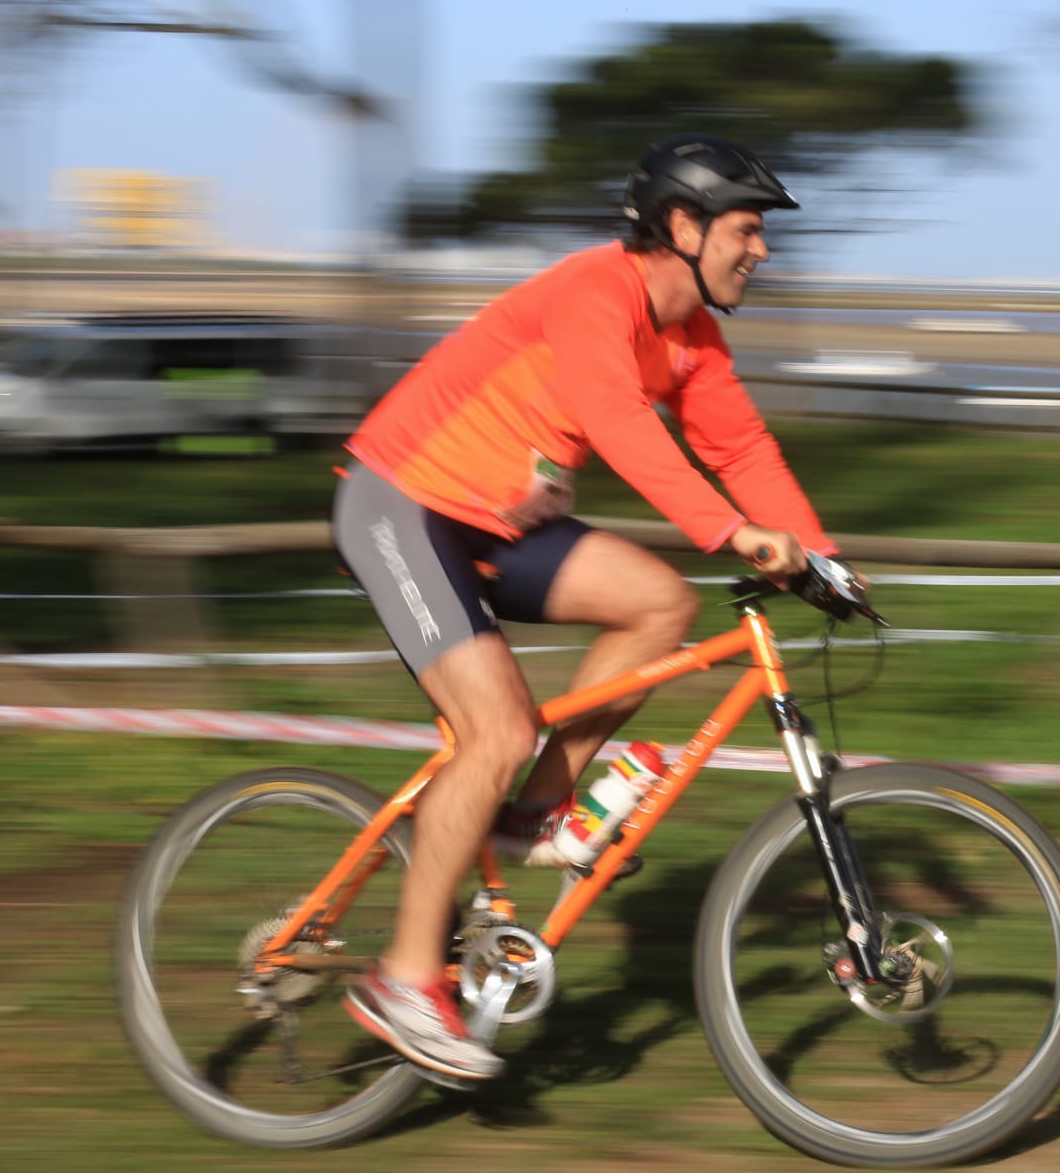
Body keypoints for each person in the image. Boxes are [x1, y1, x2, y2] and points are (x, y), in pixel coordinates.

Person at [330, 135, 840, 1083]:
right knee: (495, 729)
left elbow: (740, 450)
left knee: (658, 603)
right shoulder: (592, 290)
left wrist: (822, 559)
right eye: (747, 229)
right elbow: (613, 419)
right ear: (683, 229)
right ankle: (404, 980)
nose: (761, 250)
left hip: (495, 527)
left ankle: (533, 812)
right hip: (402, 503)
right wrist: (733, 535)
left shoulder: (693, 338)